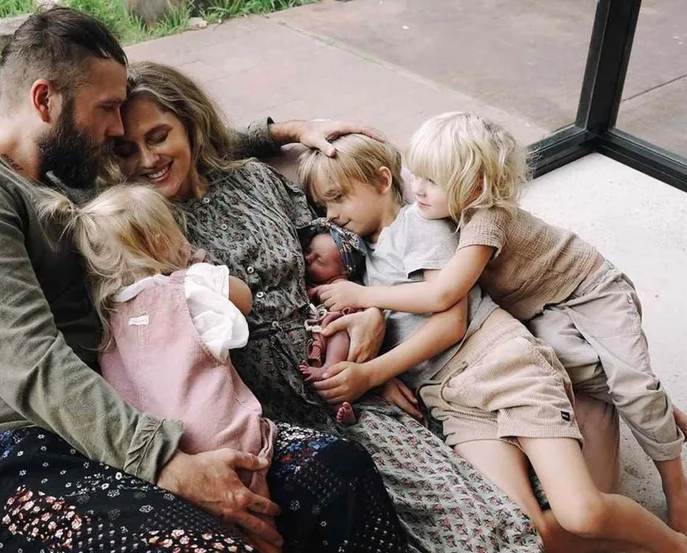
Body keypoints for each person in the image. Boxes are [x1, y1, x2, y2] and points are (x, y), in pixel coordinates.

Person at [0, 8, 397, 552]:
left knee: (337, 472)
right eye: (106, 109)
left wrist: (283, 131)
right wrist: (169, 464)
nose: (115, 128)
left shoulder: (63, 180)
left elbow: (189, 138)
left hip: (109, 427)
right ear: (44, 101)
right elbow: (30, 363)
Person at [111, 60, 545, 552]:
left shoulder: (255, 180)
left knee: (483, 525)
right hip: (253, 410)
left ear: (190, 126)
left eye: (159, 136)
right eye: (125, 149)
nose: (146, 160)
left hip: (340, 372)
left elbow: (340, 245)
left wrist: (370, 315)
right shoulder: (132, 223)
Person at [316, 112, 687, 545]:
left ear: (474, 187)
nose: (418, 188)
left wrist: (365, 309)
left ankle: (672, 481)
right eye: (416, 176)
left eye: (430, 180)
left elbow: (444, 301)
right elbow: (407, 316)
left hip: (582, 288)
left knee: (630, 389)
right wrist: (381, 361)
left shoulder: (475, 220)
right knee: (533, 520)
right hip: (494, 346)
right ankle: (648, 407)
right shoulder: (421, 219)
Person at [37, 183, 407, 552]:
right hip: (228, 439)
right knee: (261, 518)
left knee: (236, 534)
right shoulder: (189, 284)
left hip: (166, 455)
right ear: (160, 238)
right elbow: (243, 299)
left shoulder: (109, 319)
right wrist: (198, 265)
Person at [296, 218, 371, 425]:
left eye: (320, 261)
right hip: (321, 332)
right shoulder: (314, 276)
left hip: (342, 333)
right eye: (309, 252)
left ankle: (328, 369)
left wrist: (315, 291)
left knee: (337, 330)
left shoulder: (340, 283)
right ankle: (342, 408)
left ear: (343, 270)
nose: (308, 259)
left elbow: (320, 296)